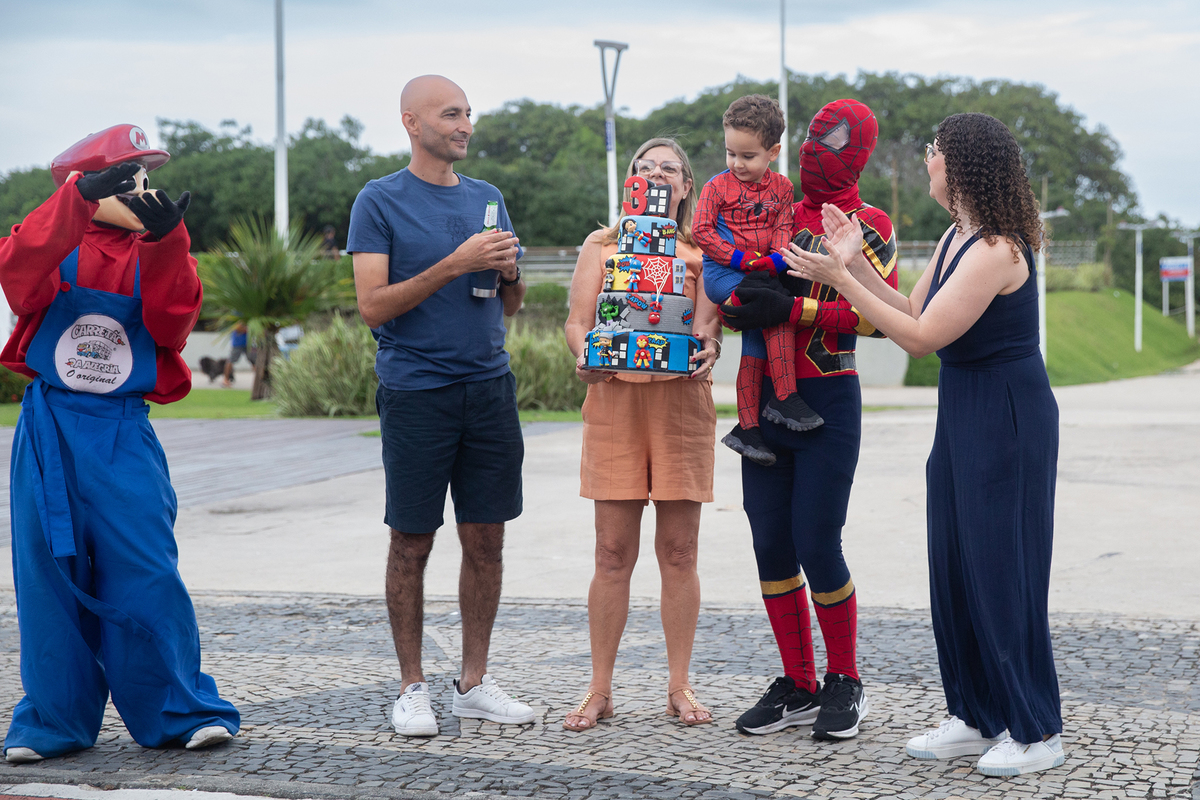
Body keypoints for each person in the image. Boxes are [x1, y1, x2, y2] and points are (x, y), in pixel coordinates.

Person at [785, 112, 1064, 777]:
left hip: (1007, 413)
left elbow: (921, 340)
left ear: (961, 164)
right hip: (965, 409)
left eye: (935, 151)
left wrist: (841, 279)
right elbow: (909, 313)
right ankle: (975, 715)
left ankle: (1036, 730)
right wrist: (853, 266)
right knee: (956, 566)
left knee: (1004, 571)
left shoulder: (998, 248)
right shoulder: (956, 235)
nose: (928, 161)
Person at [0, 124, 240, 763]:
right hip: (51, 429)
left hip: (122, 430)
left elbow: (172, 323)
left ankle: (179, 710)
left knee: (146, 568)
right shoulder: (51, 244)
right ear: (87, 187)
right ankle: (52, 721)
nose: (143, 191)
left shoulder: (157, 248)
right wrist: (72, 207)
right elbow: (19, 276)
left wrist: (168, 244)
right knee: (48, 574)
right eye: (127, 180)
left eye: (146, 179)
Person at [348, 75, 531, 738]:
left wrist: (508, 273)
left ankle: (474, 684)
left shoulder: (489, 198)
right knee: (412, 539)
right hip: (416, 392)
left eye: (468, 113)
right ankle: (412, 687)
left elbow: (510, 304)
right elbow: (373, 306)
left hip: (489, 388)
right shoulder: (380, 201)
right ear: (411, 121)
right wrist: (455, 264)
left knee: (486, 536)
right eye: (451, 114)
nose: (465, 125)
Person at [714, 99, 897, 741]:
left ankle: (843, 679)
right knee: (770, 543)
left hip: (829, 397)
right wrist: (733, 305)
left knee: (818, 540)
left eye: (835, 139)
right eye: (814, 135)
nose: (820, 147)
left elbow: (876, 320)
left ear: (860, 150)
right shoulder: (776, 207)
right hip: (763, 396)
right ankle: (798, 682)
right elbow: (732, 272)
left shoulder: (870, 224)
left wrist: (791, 313)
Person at [562, 137, 721, 730]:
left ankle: (679, 686)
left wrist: (708, 348)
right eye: (645, 167)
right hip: (614, 401)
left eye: (669, 169)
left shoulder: (701, 252)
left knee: (679, 551)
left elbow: (708, 329)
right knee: (611, 553)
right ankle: (598, 689)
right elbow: (579, 324)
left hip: (680, 407)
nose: (656, 175)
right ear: (630, 181)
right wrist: (586, 358)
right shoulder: (601, 248)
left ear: (684, 187)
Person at [692, 94, 821, 466]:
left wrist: (775, 260)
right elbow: (702, 232)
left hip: (759, 273)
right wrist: (742, 259)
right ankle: (784, 396)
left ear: (773, 151)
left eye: (748, 156)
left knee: (757, 340)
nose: (736, 163)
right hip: (722, 273)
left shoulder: (782, 188)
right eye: (730, 153)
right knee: (772, 310)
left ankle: (748, 427)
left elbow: (783, 229)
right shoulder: (717, 187)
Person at [221, 320, 254, 387]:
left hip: (248, 343)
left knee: (254, 361)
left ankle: (259, 381)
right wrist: (248, 329)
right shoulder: (237, 314)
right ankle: (225, 380)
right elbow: (238, 328)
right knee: (231, 361)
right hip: (237, 343)